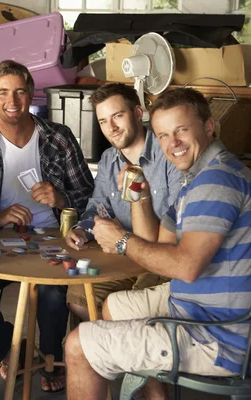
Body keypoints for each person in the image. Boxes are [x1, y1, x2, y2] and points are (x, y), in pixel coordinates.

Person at [64, 88, 251, 400]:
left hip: (224, 336)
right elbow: (157, 243)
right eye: (163, 135)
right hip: (213, 311)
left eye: (181, 131)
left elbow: (185, 266)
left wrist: (122, 241)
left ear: (208, 127)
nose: (171, 144)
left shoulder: (216, 182)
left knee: (78, 345)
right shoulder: (199, 176)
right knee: (114, 305)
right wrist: (139, 192)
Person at [0, 60, 94, 392]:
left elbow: (91, 197)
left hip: (55, 237)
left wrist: (60, 199)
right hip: (1, 242)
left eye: (19, 91)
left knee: (50, 292)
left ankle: (49, 359)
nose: (12, 100)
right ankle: (6, 350)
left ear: (32, 94)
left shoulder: (59, 139)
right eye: (3, 93)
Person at [64, 83, 181, 323]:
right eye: (103, 121)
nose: (112, 128)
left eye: (117, 116)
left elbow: (179, 226)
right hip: (124, 255)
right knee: (78, 298)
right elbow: (97, 207)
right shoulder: (108, 159)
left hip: (163, 259)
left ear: (138, 113)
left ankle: (117, 350)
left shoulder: (167, 152)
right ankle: (102, 352)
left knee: (129, 310)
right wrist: (81, 230)